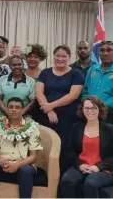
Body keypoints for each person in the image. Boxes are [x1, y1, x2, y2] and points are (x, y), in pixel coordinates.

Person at [81, 40, 113, 180]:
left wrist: (94, 108)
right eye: (102, 50)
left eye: (109, 50)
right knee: (96, 148)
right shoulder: (93, 70)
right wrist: (87, 105)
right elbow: (85, 91)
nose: (105, 53)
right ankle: (93, 177)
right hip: (92, 116)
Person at [60, 96, 113, 198]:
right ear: (82, 110)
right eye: (87, 108)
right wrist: (79, 165)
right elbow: (70, 151)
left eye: (93, 108)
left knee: (90, 183)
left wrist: (98, 167)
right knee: (67, 180)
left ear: (99, 109)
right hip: (82, 166)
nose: (90, 111)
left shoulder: (109, 129)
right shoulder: (76, 127)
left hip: (103, 169)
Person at [35, 45, 84, 173]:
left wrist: (52, 105)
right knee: (45, 146)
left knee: (64, 148)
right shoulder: (45, 73)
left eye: (64, 56)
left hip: (67, 118)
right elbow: (39, 93)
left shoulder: (76, 73)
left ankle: (62, 180)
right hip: (45, 116)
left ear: (69, 57)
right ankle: (44, 178)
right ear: (53, 56)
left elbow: (73, 95)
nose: (60, 59)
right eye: (57, 55)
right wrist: (49, 110)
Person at [0, 97, 42, 198]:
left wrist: (17, 165)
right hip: (3, 165)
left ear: (23, 110)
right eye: (11, 107)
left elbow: (33, 157)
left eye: (17, 107)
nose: (14, 110)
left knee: (26, 171)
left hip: (22, 166)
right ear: (7, 109)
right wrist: (0, 160)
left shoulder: (32, 127)